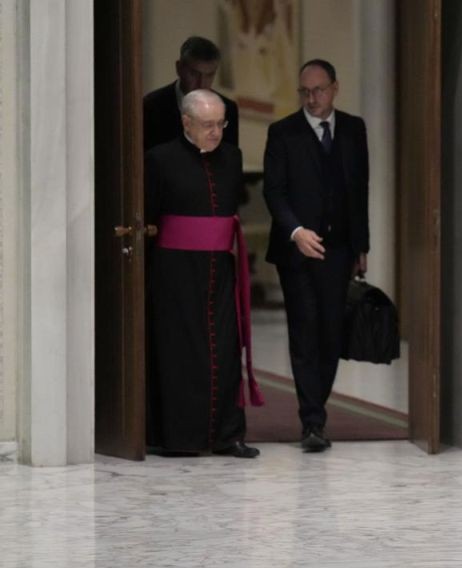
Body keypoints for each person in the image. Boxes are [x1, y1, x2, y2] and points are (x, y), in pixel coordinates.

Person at [145, 89, 263, 459]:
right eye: (208, 125)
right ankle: (182, 438)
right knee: (183, 353)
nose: (216, 133)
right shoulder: (159, 159)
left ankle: (229, 435)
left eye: (221, 124)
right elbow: (148, 218)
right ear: (186, 123)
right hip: (175, 273)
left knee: (227, 347)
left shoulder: (232, 157)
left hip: (220, 269)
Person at [262, 59, 369, 452]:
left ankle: (316, 408)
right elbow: (273, 191)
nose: (312, 99)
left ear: (335, 88)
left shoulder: (354, 129)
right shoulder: (283, 132)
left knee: (330, 333)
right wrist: (295, 231)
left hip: (339, 249)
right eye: (305, 92)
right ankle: (311, 421)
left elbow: (360, 189)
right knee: (304, 332)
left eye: (319, 90)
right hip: (297, 251)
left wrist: (362, 246)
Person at [143, 36, 239, 151]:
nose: (201, 83)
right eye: (194, 74)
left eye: (209, 75)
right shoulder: (152, 106)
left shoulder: (228, 108)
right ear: (179, 68)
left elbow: (229, 161)